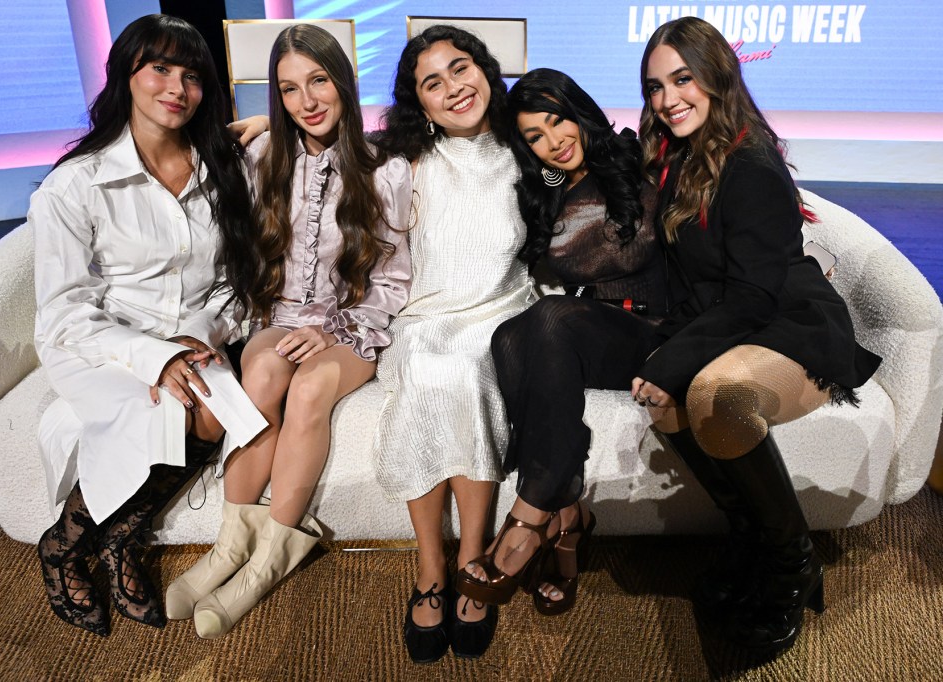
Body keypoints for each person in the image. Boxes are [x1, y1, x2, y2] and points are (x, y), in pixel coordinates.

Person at [632, 16, 881, 654]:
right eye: (656, 87)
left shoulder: (750, 163)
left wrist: (672, 359)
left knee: (716, 394)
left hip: (790, 321)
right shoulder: (676, 157)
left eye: (683, 80)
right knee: (665, 405)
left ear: (717, 76)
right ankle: (749, 540)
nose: (668, 99)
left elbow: (751, 295)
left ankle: (793, 563)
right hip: (738, 318)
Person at [165, 24, 412, 640]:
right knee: (262, 376)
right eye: (289, 89)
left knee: (308, 390)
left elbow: (394, 279)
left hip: (351, 325)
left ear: (343, 81)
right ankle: (230, 546)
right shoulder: (262, 158)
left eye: (319, 81)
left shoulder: (386, 169)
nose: (307, 101)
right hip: (279, 319)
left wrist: (334, 328)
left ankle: (271, 557)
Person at [32, 14, 263, 637]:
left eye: (192, 76)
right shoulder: (73, 185)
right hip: (100, 342)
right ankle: (62, 547)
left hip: (190, 333)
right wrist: (153, 357)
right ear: (125, 75)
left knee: (219, 413)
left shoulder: (225, 169)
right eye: (160, 68)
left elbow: (234, 283)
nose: (177, 88)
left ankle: (119, 539)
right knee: (158, 412)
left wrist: (202, 334)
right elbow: (63, 310)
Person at [455, 69, 667, 616]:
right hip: (587, 331)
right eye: (535, 136)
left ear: (579, 111)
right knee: (508, 336)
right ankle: (569, 516)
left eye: (558, 121)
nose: (554, 141)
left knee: (547, 316)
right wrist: (270, 128)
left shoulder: (637, 157)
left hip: (651, 330)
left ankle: (530, 516)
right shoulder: (547, 190)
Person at [369, 25, 535, 663]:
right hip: (425, 314)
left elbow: (585, 164)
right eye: (431, 83)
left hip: (501, 309)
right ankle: (430, 565)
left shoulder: (527, 150)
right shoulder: (406, 161)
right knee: (430, 368)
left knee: (467, 370)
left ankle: (472, 559)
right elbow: (327, 147)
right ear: (420, 103)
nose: (453, 88)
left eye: (460, 68)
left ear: (486, 71)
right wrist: (262, 127)